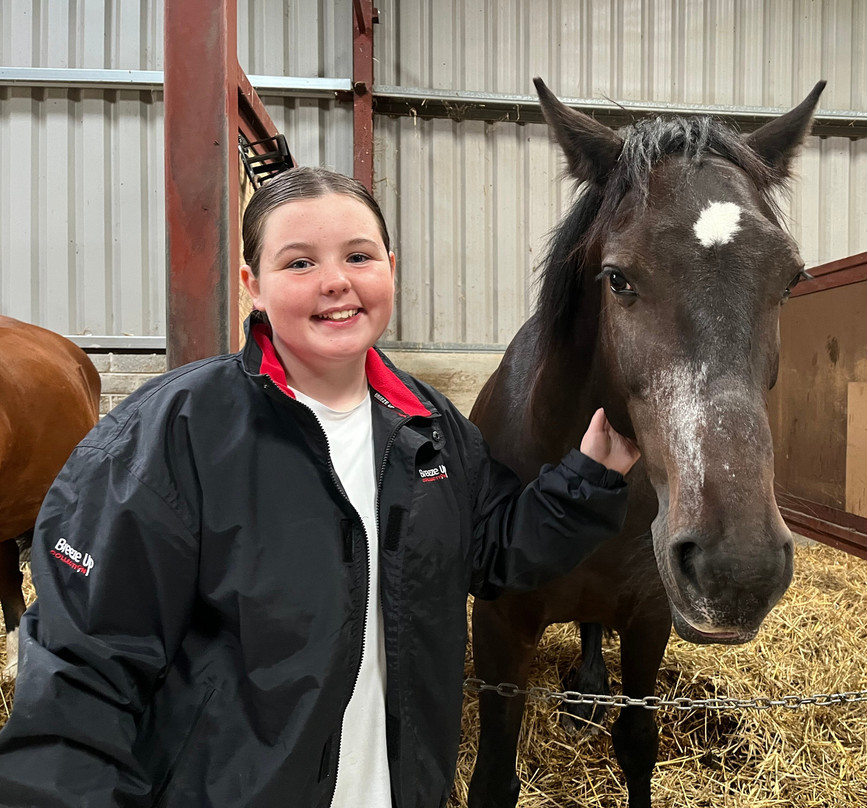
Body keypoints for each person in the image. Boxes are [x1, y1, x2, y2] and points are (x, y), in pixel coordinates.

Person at [0, 166, 640, 808]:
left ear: (390, 266)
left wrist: (593, 476)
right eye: (299, 262)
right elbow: (81, 675)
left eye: (358, 256)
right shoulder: (172, 435)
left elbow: (496, 549)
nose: (336, 281)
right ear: (253, 285)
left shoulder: (431, 427)